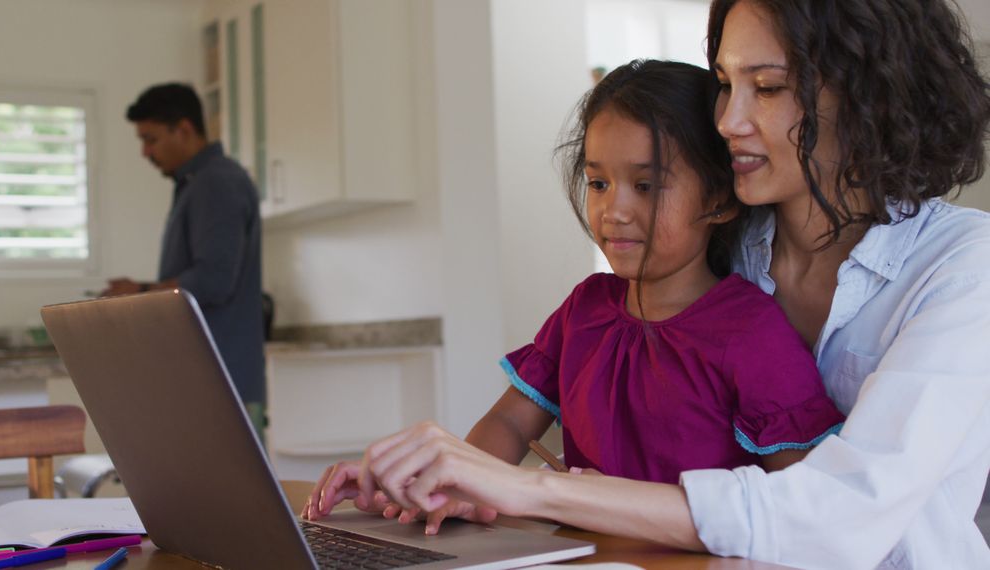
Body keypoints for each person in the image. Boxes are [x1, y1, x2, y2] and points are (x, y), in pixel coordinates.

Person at [305, 0, 990, 567]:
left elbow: (840, 516)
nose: (728, 120)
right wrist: (431, 481)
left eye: (770, 87)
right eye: (724, 83)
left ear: (870, 94)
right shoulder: (719, 249)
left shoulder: (961, 268)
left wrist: (535, 492)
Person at [304, 58, 844, 531]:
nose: (615, 210)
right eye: (599, 183)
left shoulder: (752, 334)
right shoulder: (586, 308)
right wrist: (439, 484)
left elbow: (801, 506)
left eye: (646, 185)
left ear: (721, 199)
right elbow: (511, 422)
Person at [104, 83, 267, 433]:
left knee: (228, 488)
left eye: (151, 139)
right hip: (210, 377)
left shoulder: (216, 183)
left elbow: (213, 280)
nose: (145, 152)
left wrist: (141, 293)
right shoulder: (198, 182)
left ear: (184, 129)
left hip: (219, 380)